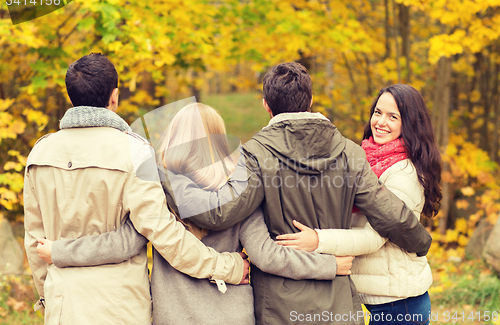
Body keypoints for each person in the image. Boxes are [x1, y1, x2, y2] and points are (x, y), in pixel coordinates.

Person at [164, 62, 434, 325]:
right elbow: (390, 214)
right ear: (311, 99)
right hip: (336, 300)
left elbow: (219, 213)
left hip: (281, 306)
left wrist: (164, 172)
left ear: (266, 105)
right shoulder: (350, 152)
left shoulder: (256, 155)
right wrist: (421, 243)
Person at [36, 103, 353, 324]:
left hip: (173, 316)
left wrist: (59, 250)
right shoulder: (242, 190)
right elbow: (267, 255)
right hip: (233, 315)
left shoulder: (156, 190)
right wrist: (329, 265)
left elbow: (124, 243)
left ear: (173, 137)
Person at [24, 53, 249, 325]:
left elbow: (34, 242)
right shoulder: (135, 152)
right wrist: (227, 267)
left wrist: (49, 295)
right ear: (115, 96)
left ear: (71, 96)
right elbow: (165, 234)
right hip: (120, 308)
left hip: (62, 306)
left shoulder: (40, 152)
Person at [276, 84, 442, 325]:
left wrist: (318, 240)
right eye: (377, 112)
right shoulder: (364, 158)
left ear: (410, 123)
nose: (381, 122)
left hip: (399, 303)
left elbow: (374, 238)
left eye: (393, 117)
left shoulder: (403, 173)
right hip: (379, 298)